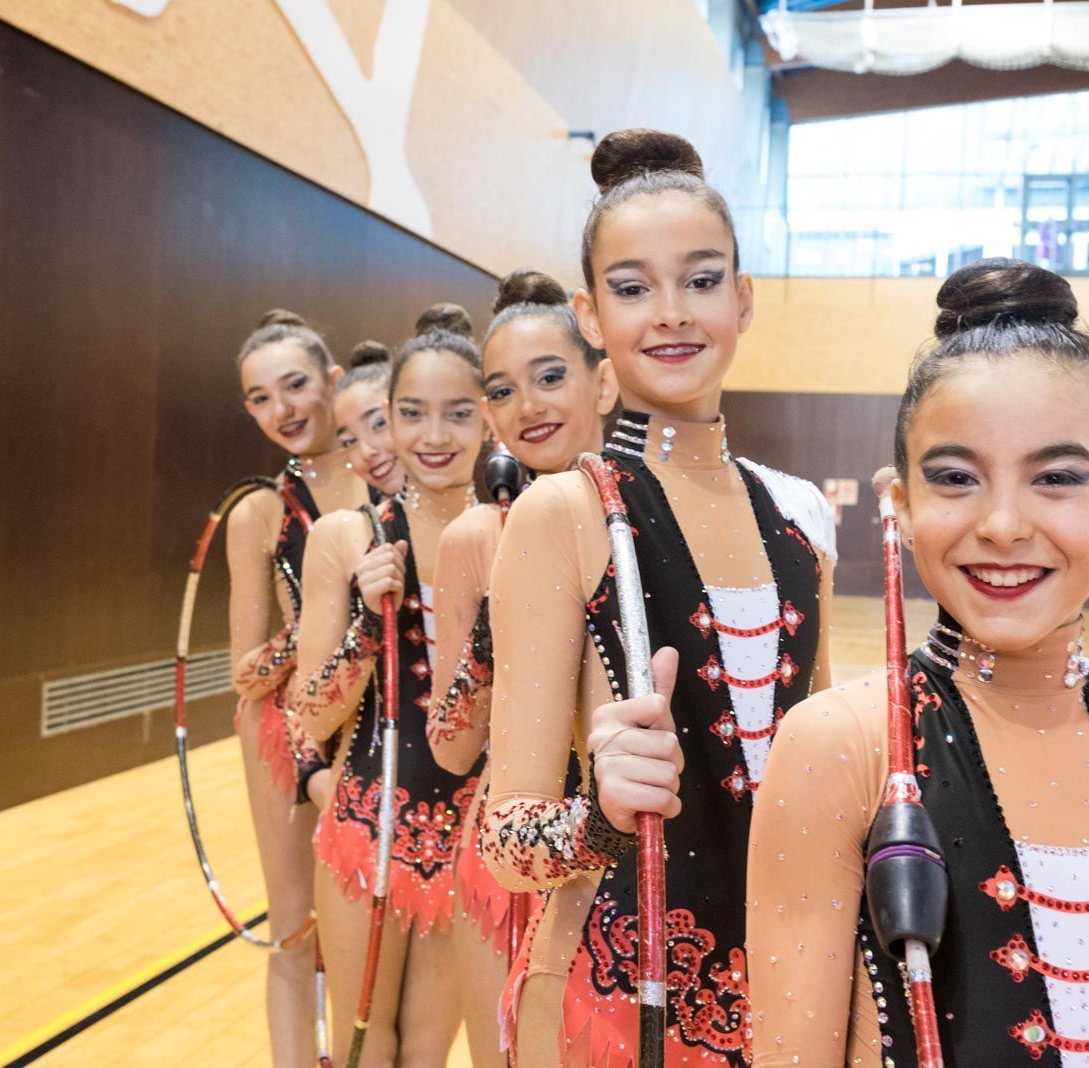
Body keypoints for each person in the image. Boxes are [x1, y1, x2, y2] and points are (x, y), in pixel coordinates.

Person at [746, 258, 1089, 1066]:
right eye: (956, 478)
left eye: (1056, 478)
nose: (1004, 523)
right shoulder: (841, 745)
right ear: (898, 505)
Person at [479, 129, 838, 1068]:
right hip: (615, 995)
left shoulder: (799, 524)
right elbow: (504, 840)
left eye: (703, 279)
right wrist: (600, 807)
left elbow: (821, 786)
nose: (671, 314)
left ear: (745, 297)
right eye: (633, 288)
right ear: (590, 314)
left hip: (787, 990)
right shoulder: (565, 512)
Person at [426, 268, 618, 1065]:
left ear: (601, 381)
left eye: (549, 377)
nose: (528, 407)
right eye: (502, 392)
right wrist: (498, 625)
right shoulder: (476, 537)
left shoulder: (651, 514)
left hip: (645, 869)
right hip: (515, 862)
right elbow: (449, 744)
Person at [282, 329, 485, 1067]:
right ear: (391, 419)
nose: (435, 436)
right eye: (414, 412)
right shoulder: (346, 536)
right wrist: (370, 620)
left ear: (489, 415)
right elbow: (314, 710)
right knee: (366, 1042)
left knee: (428, 1050)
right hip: (367, 823)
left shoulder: (515, 535)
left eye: (459, 413)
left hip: (466, 839)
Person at [224, 310, 371, 1068]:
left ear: (333, 382)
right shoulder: (257, 514)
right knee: (294, 927)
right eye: (259, 398)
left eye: (294, 385)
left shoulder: (391, 475)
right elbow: (244, 671)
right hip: (288, 737)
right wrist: (320, 615)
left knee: (375, 932)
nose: (281, 410)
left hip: (381, 730)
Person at [332, 341, 406, 497]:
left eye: (379, 424)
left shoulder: (469, 517)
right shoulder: (361, 521)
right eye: (350, 442)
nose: (366, 452)